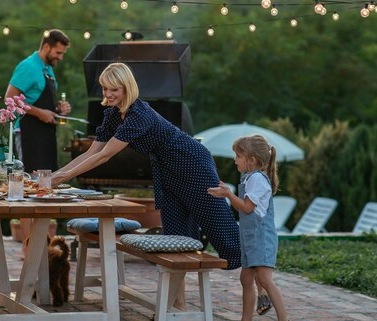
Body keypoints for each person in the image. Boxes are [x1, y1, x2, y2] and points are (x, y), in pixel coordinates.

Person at [51, 62, 242, 270]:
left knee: (223, 231)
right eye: (105, 88)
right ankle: (177, 302)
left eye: (114, 89)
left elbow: (104, 156)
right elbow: (91, 152)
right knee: (176, 237)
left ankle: (259, 283)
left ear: (127, 87)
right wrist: (56, 174)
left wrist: (63, 178)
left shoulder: (139, 114)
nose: (108, 93)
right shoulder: (114, 114)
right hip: (165, 169)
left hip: (192, 163)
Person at [207, 135, 288, 321]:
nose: (235, 160)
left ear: (251, 160)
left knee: (265, 279)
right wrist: (226, 193)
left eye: (238, 156)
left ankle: (284, 318)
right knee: (246, 279)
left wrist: (227, 194)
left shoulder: (258, 179)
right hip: (250, 238)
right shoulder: (249, 178)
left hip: (261, 238)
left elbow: (246, 207)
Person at [5, 29, 71, 172]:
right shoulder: (28, 66)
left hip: (46, 133)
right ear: (46, 47)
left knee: (47, 180)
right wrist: (40, 113)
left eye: (62, 54)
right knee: (31, 179)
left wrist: (59, 109)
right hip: (27, 132)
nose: (60, 58)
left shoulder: (48, 68)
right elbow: (9, 99)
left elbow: (42, 100)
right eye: (58, 53)